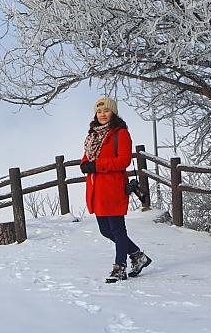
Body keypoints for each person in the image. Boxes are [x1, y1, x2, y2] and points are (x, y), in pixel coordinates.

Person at [80, 96, 152, 283]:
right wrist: (85, 165)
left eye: (106, 110)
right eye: (99, 111)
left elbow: (123, 160)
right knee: (105, 230)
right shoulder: (93, 135)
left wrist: (97, 165)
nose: (102, 114)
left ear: (113, 112)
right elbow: (86, 159)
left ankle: (120, 268)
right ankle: (138, 255)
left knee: (118, 230)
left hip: (113, 188)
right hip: (96, 190)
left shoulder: (120, 133)